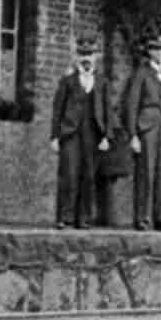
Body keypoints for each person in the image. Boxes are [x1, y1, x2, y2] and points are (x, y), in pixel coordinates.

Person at [119, 31, 161, 231]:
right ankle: (143, 217)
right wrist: (133, 135)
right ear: (149, 52)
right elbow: (131, 105)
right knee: (145, 173)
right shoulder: (141, 73)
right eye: (155, 49)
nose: (159, 53)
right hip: (146, 127)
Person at [47, 35, 112, 228]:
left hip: (92, 133)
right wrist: (54, 136)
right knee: (69, 174)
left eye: (90, 54)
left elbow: (108, 110)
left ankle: (83, 218)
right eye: (82, 54)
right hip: (70, 133)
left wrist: (107, 136)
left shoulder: (102, 82)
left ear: (96, 57)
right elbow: (57, 109)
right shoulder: (67, 81)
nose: (86, 58)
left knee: (88, 175)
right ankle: (64, 217)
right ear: (76, 56)